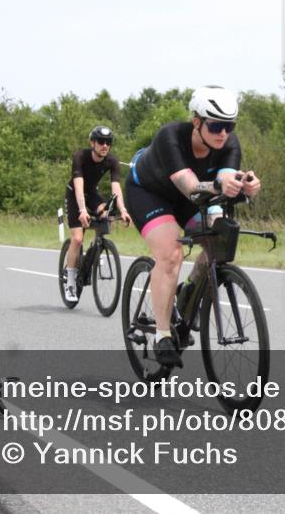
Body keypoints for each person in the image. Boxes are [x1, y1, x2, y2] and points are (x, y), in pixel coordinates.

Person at [124, 86, 261, 367]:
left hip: (193, 197)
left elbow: (224, 181)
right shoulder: (170, 137)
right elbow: (189, 185)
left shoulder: (229, 144)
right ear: (196, 122)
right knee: (171, 252)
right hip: (151, 192)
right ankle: (162, 336)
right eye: (216, 125)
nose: (223, 133)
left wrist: (245, 185)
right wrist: (220, 185)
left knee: (220, 237)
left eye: (229, 126)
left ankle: (189, 291)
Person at [63, 125, 130, 302]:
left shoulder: (112, 161)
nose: (105, 146)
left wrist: (123, 210)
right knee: (77, 239)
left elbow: (116, 189)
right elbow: (78, 186)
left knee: (106, 212)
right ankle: (70, 281)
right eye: (101, 141)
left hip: (92, 193)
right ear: (92, 142)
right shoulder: (80, 156)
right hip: (75, 194)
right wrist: (83, 210)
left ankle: (95, 250)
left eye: (108, 142)